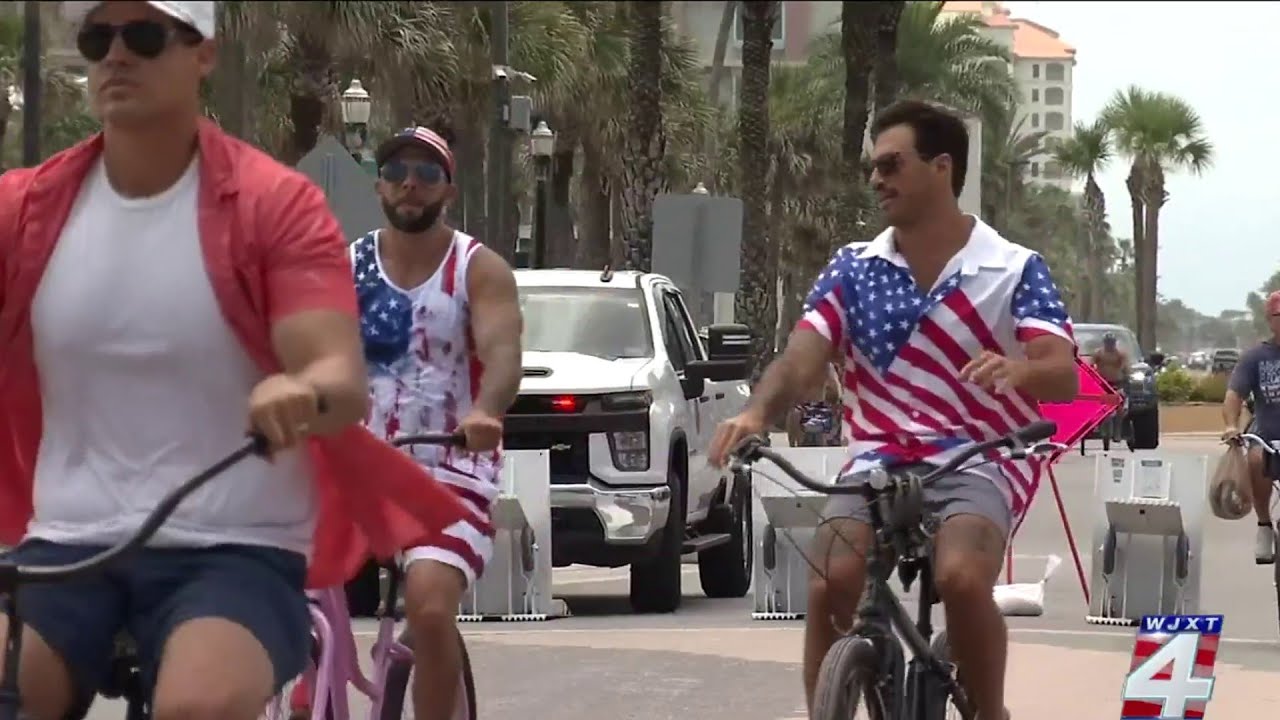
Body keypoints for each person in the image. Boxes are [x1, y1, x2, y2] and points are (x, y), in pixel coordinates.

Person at [0, 3, 468, 719]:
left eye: (145, 36)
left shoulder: (275, 206)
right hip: (67, 544)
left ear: (204, 55)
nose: (116, 56)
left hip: (233, 548)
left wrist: (301, 392)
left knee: (199, 706)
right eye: (99, 39)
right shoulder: (24, 210)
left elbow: (339, 380)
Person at [708, 100, 1078, 720]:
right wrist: (757, 414)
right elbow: (801, 359)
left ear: (941, 167)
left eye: (891, 164)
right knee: (830, 581)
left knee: (961, 580)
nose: (877, 179)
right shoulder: (854, 269)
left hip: (979, 461)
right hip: (877, 459)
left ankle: (992, 711)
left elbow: (1063, 374)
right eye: (872, 168)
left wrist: (1020, 370)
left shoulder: (1014, 269)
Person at [1222, 290, 1280, 564]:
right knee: (1255, 460)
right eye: (1279, 315)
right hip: (1268, 433)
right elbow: (1234, 396)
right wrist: (1231, 426)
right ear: (1269, 319)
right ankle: (1264, 525)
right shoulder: (1255, 357)